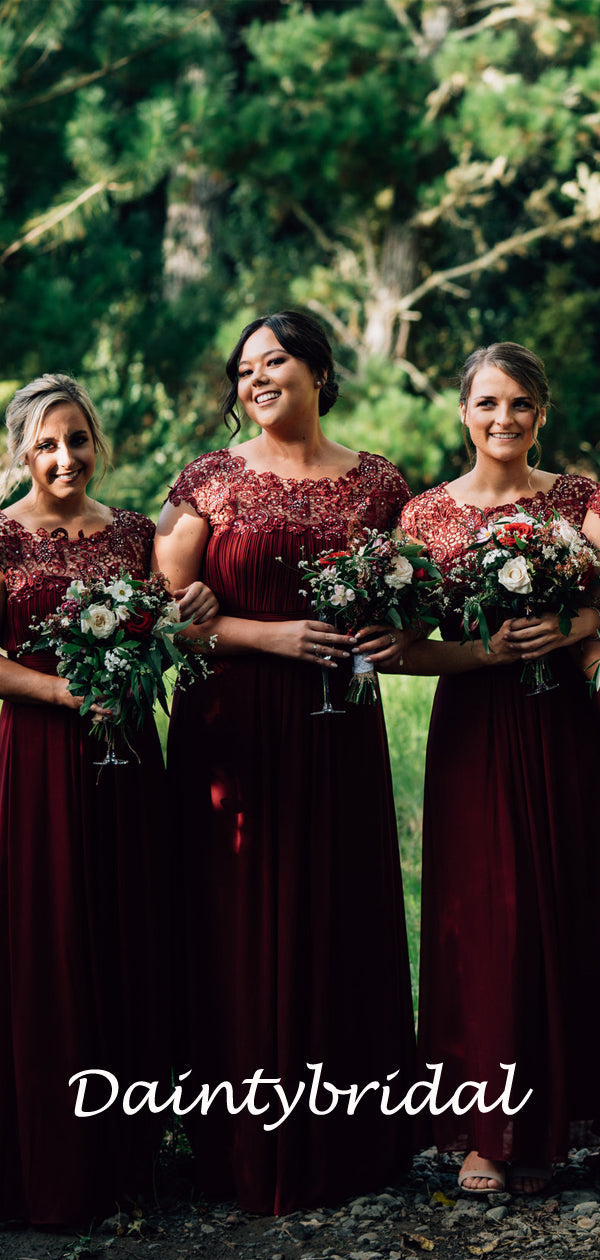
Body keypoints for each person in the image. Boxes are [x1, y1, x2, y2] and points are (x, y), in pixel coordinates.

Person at [154, 310, 416, 1214]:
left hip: (338, 723)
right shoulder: (207, 483)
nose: (254, 377)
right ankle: (239, 1146)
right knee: (237, 922)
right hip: (233, 725)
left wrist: (392, 631)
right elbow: (166, 616)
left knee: (336, 904)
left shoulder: (380, 482)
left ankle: (349, 1139)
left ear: (318, 370)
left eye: (273, 360)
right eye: (242, 368)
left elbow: (409, 591)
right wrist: (268, 634)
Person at [0, 373, 215, 1226]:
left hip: (127, 757)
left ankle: (126, 1154)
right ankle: (40, 1157)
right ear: (21, 449)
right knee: (43, 938)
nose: (65, 458)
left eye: (78, 440)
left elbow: (174, 626)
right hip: (36, 761)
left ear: (99, 444)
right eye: (47, 444)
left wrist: (191, 606)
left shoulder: (132, 534)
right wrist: (55, 696)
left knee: (125, 932)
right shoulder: (1, 539)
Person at [395, 343, 600, 1196]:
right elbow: (399, 651)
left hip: (562, 723)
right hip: (475, 728)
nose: (504, 420)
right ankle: (484, 1128)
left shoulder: (582, 498)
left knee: (561, 902)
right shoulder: (423, 516)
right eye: (487, 404)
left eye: (520, 404)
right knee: (481, 914)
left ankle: (552, 1124)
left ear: (542, 413)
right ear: (463, 413)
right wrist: (485, 652)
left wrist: (576, 627)